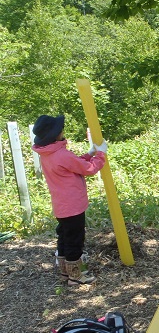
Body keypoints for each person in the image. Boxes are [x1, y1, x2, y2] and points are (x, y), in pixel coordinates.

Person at [32, 115, 107, 285]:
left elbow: (74, 164)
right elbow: (88, 169)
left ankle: (64, 272)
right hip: (73, 205)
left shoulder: (48, 154)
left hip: (61, 205)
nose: (63, 131)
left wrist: (90, 154)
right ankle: (76, 276)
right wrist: (101, 154)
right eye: (61, 130)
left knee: (64, 237)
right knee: (75, 239)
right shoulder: (61, 154)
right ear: (56, 134)